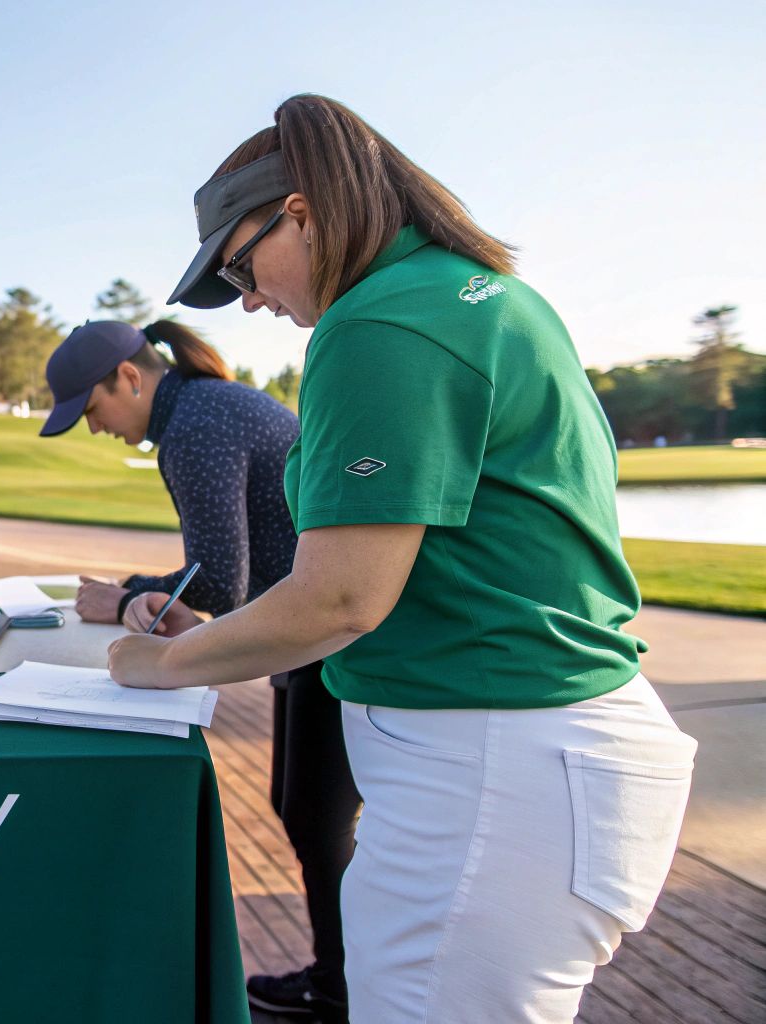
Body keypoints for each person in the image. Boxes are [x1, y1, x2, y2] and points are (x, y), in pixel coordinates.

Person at [111, 94, 695, 1023]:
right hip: (524, 752)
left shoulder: (378, 322)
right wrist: (215, 632)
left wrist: (160, 664)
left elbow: (341, 598)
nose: (252, 300)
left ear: (300, 212)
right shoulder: (469, 290)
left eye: (242, 267)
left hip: (492, 761)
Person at [44, 320, 357, 1019]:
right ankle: (340, 979)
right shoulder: (205, 405)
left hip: (330, 635)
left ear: (129, 378)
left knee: (320, 819)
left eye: (90, 411)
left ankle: (345, 992)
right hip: (308, 631)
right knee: (306, 813)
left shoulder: (194, 424)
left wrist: (126, 594)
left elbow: (220, 583)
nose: (94, 430)